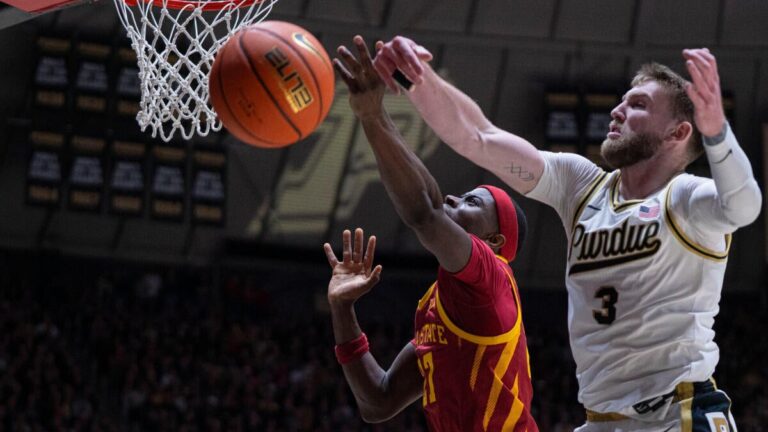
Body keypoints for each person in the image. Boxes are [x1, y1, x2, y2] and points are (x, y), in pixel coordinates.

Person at [372, 36, 762, 431]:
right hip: (602, 420)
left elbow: (744, 206)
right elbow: (479, 137)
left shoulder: (686, 198)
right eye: (622, 101)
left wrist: (716, 133)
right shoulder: (581, 186)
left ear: (678, 133)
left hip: (676, 414)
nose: (617, 111)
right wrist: (418, 80)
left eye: (638, 105)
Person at [323, 35, 538, 432]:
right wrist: (342, 310)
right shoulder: (437, 305)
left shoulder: (492, 279)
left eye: (473, 204)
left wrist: (373, 118)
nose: (456, 198)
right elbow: (378, 401)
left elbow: (427, 211)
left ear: (492, 244)